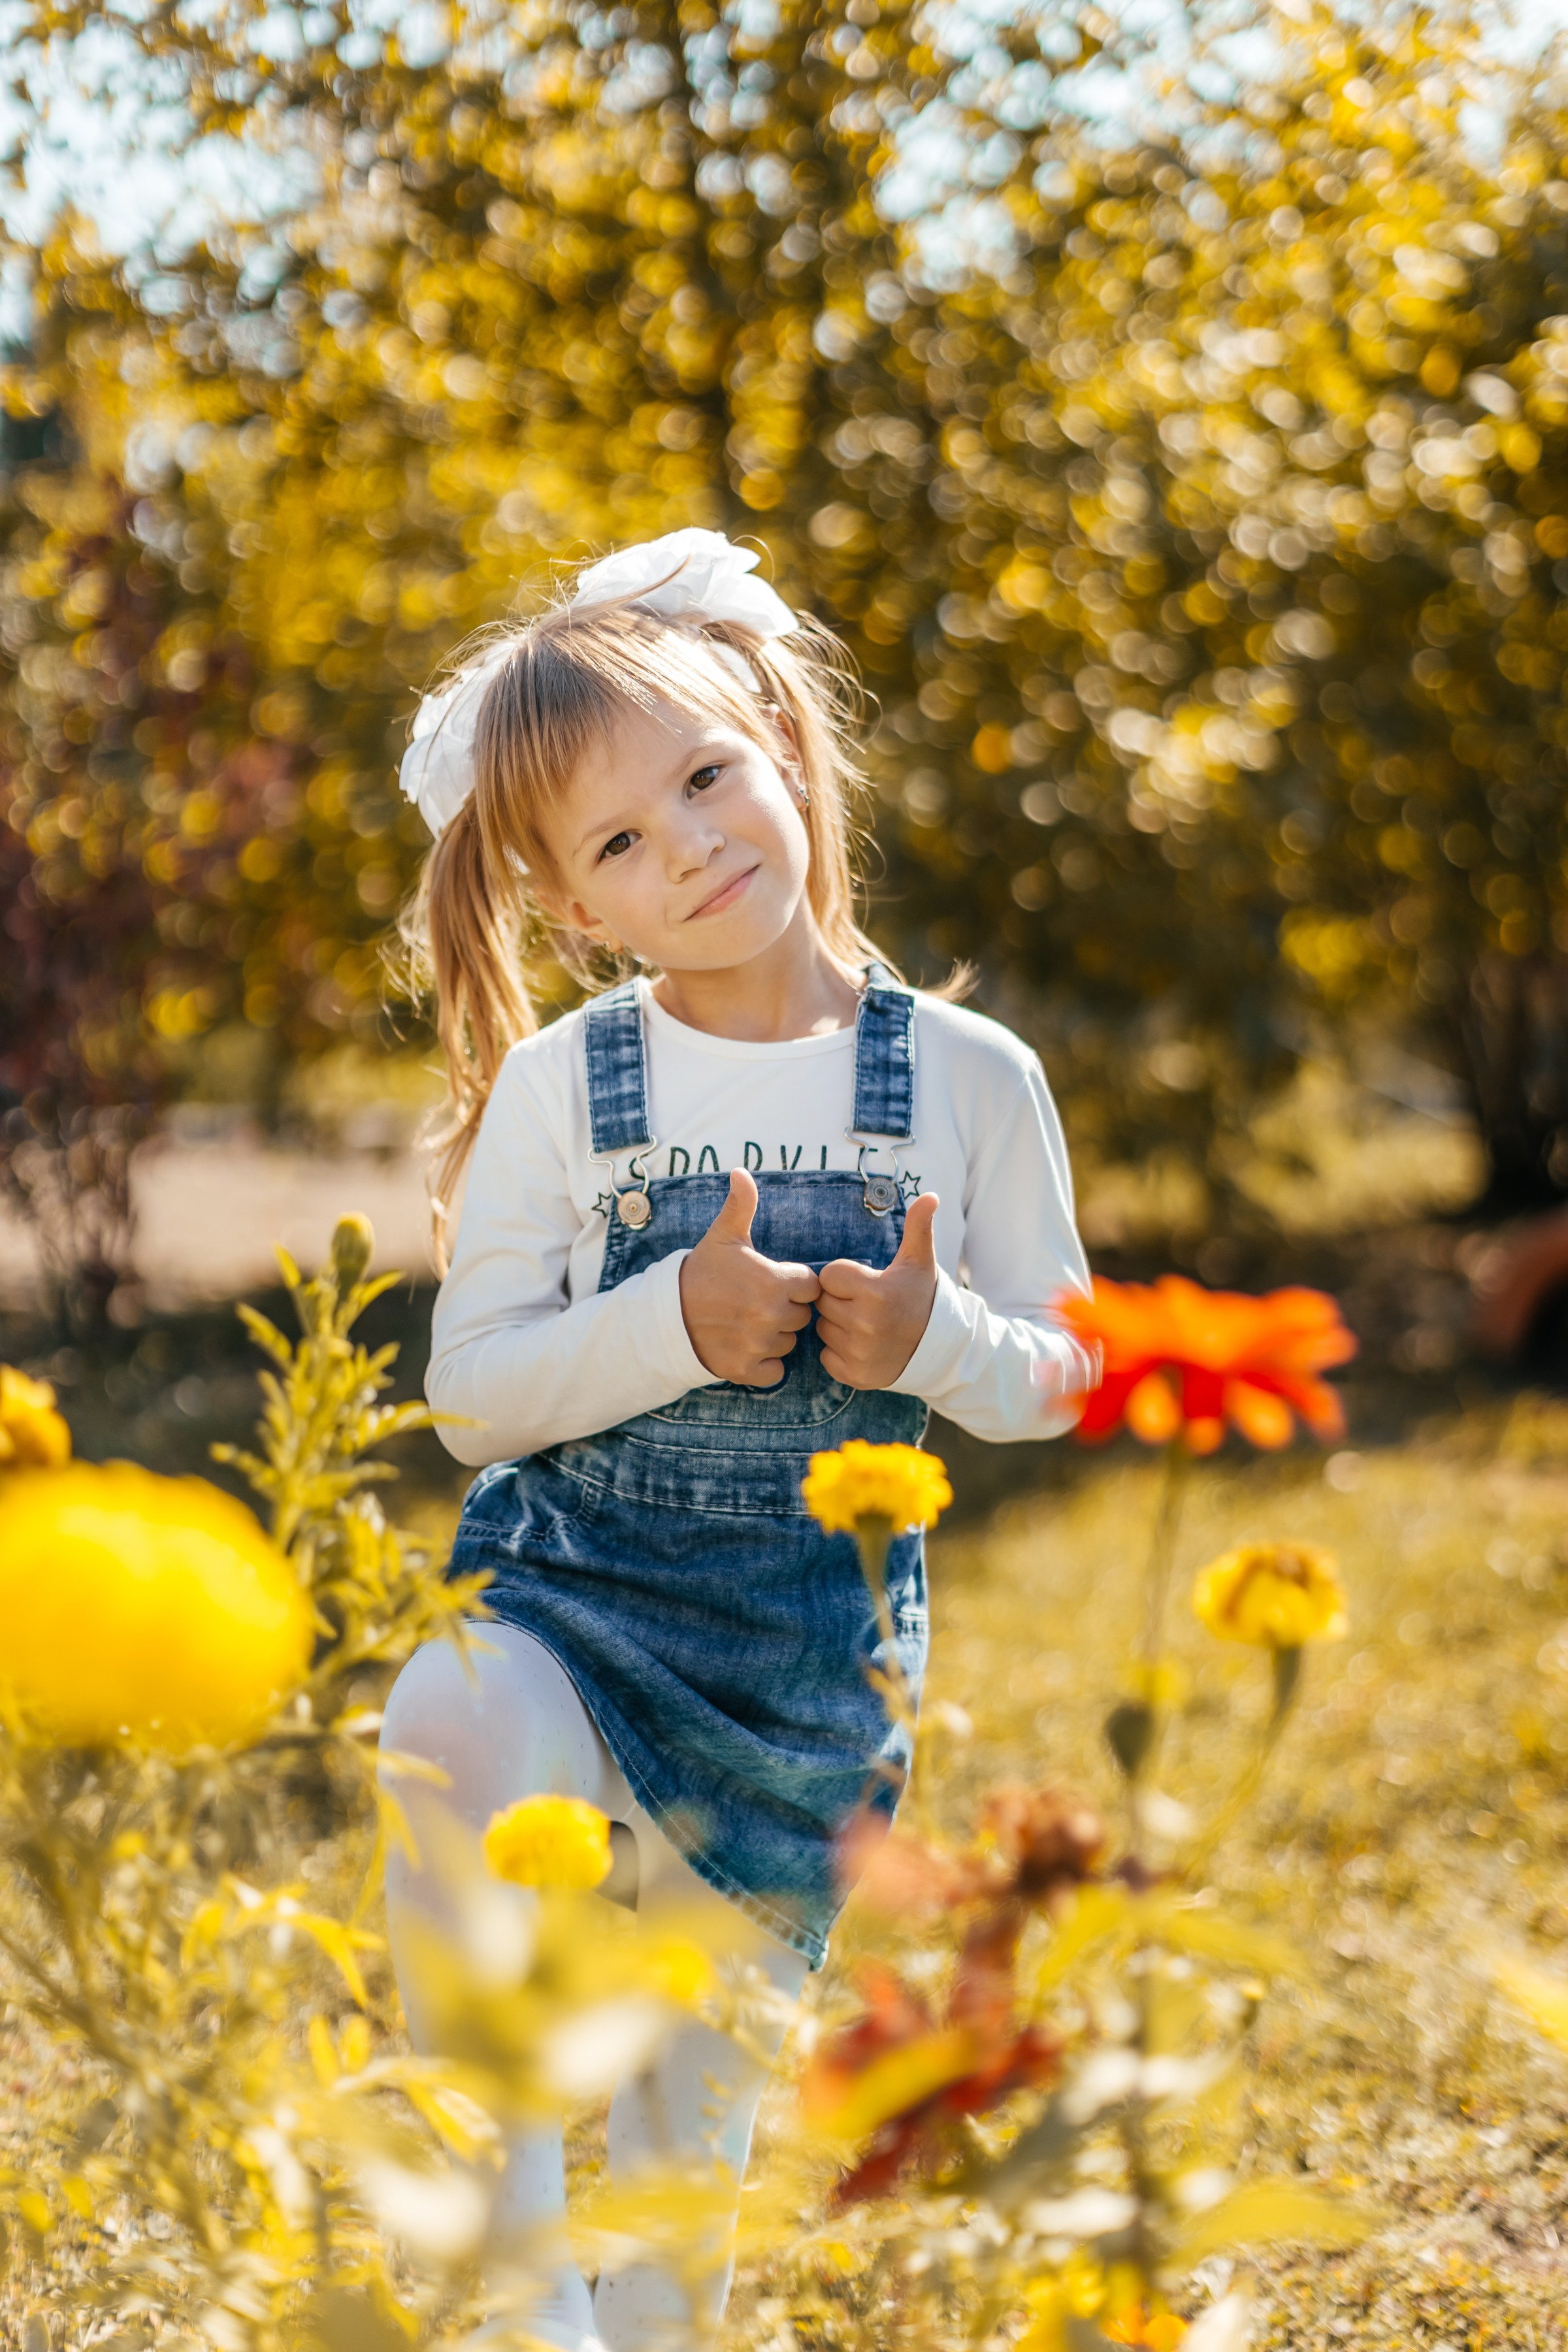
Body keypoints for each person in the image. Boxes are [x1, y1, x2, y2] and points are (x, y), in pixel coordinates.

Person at [379, 529, 1094, 2350]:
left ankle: (634, 2309)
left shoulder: (965, 1076)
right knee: (452, 1715)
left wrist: (938, 1341)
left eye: (705, 775)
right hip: (575, 1601)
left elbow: (1068, 1368)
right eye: (620, 839)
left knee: (696, 2145)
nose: (689, 843)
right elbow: (472, 1392)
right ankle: (514, 2234)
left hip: (801, 1665)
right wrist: (668, 1325)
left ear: (779, 737)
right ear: (571, 910)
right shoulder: (569, 1089)